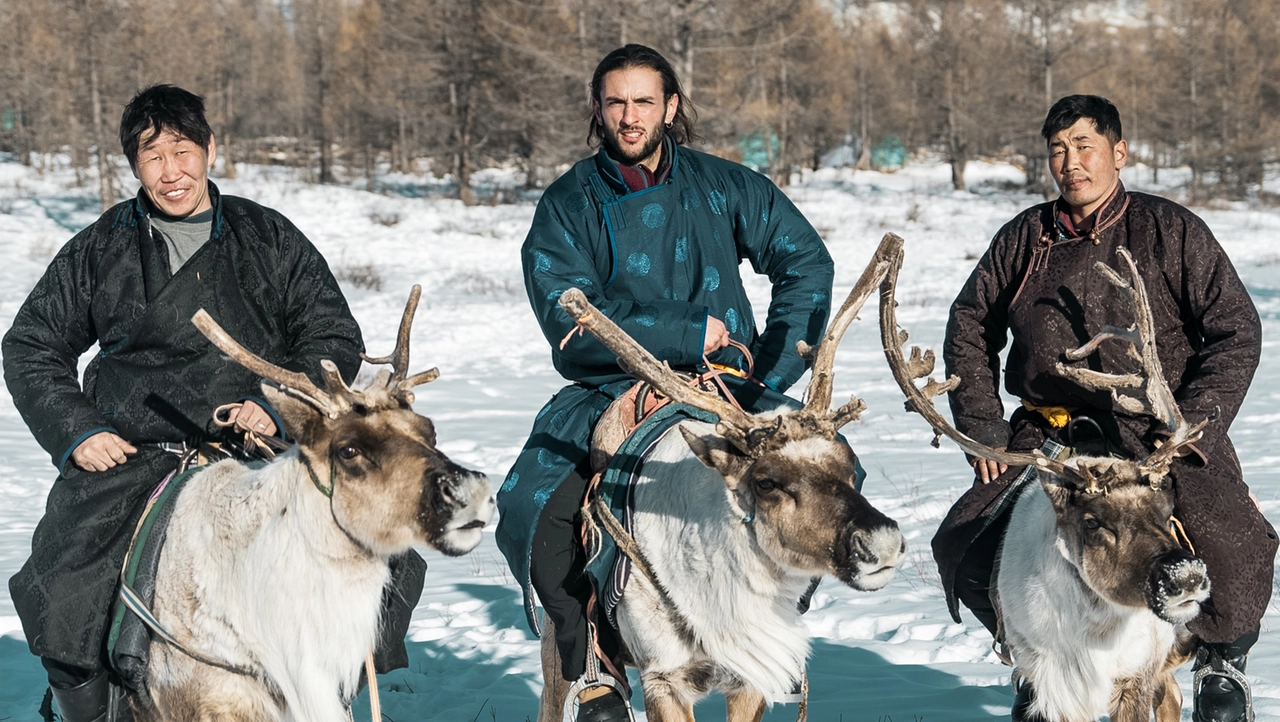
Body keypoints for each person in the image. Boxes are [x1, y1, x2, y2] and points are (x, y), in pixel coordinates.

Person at [1, 85, 420, 722]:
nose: (171, 172)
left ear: (210, 150)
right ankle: (89, 711)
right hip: (137, 451)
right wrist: (78, 430)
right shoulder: (99, 248)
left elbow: (331, 335)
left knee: (388, 557)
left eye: (183, 150)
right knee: (62, 576)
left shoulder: (269, 237)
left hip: (258, 448)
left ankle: (320, 692)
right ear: (133, 167)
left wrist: (280, 406)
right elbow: (32, 344)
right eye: (152, 158)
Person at [494, 44, 836, 722]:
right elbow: (568, 313)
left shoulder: (724, 184)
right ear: (598, 109)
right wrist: (688, 332)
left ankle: (764, 648)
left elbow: (805, 262)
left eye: (643, 101)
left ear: (671, 107)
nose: (629, 116)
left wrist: (768, 374)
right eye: (616, 102)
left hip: (728, 392)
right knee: (535, 517)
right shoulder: (568, 203)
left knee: (819, 490)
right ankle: (595, 668)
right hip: (609, 388)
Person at [937, 94, 1276, 722]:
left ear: (1119, 153)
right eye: (1058, 150)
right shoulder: (1024, 238)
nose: (1071, 164)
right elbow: (969, 325)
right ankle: (1036, 653)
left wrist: (1192, 421)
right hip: (1052, 434)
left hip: (1158, 430)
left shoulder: (1171, 230)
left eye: (1085, 147)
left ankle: (1221, 662)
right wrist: (983, 426)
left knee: (1229, 537)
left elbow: (1236, 328)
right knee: (965, 541)